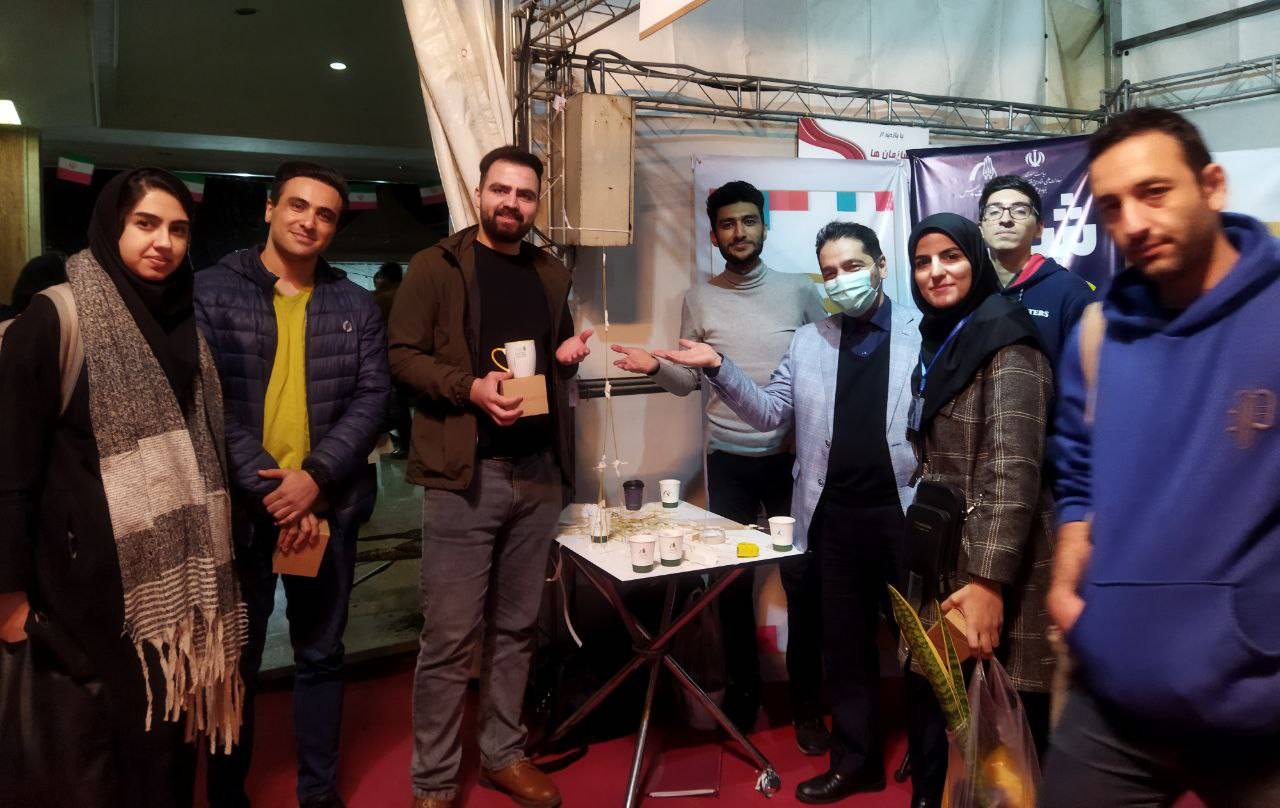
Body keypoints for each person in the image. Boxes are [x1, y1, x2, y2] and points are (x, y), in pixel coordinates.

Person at [654, 221, 948, 806]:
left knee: (922, 648)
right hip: (831, 519)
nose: (841, 280)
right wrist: (718, 366)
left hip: (903, 515)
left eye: (853, 267)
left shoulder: (924, 334)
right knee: (845, 649)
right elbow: (770, 413)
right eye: (830, 272)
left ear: (881, 266)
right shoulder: (810, 340)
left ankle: (931, 772)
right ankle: (856, 762)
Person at [1042, 109, 1280, 807]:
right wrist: (1069, 577)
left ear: (1212, 185)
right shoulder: (1099, 333)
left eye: (1154, 192)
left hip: (1262, 709)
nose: (1134, 223)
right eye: (1113, 207)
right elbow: (1077, 469)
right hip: (1114, 697)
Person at [0, 169, 246, 807]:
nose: (163, 242)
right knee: (96, 759)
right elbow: (10, 469)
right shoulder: (56, 317)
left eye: (178, 229)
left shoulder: (185, 320)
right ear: (113, 226)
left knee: (167, 749)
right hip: (81, 595)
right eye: (146, 223)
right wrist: (9, 596)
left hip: (174, 588)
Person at [389, 145, 591, 808]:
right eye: (500, 190)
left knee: (517, 627)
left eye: (525, 195)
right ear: (479, 192)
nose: (511, 203)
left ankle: (502, 754)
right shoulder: (436, 266)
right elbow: (402, 357)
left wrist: (565, 359)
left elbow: (546, 363)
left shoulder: (551, 273)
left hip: (538, 474)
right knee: (450, 638)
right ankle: (434, 781)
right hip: (464, 476)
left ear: (537, 204)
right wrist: (469, 388)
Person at [195, 161, 390, 808]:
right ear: (270, 208)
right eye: (298, 206)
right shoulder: (211, 292)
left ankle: (319, 793)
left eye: (326, 214)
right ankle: (227, 794)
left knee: (321, 654)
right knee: (234, 660)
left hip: (326, 506)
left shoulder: (354, 303)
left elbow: (372, 398)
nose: (310, 222)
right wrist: (277, 492)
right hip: (242, 510)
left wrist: (315, 479)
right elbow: (207, 401)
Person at [610, 180, 828, 747]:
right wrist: (654, 367)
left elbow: (822, 367)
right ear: (714, 236)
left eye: (749, 221)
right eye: (728, 224)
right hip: (728, 460)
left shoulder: (800, 291)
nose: (740, 232)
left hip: (791, 462)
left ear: (765, 227)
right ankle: (743, 696)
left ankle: (807, 703)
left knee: (803, 580)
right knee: (729, 586)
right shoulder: (699, 299)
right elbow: (688, 379)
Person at [904, 213, 1056, 790]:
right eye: (923, 261)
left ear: (976, 260)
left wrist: (987, 581)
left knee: (1001, 743)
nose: (936, 272)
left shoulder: (1007, 339)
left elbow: (1013, 470)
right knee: (942, 713)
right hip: (943, 556)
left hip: (995, 570)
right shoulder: (942, 338)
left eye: (951, 256)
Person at [977, 175, 1095, 371]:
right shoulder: (971, 291)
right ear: (981, 228)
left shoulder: (1070, 291)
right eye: (994, 212)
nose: (1005, 220)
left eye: (1019, 211)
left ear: (1039, 228)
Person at [372, 261, 412, 457]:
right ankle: (407, 443)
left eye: (379, 277)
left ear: (385, 278)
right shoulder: (409, 295)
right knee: (402, 403)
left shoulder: (380, 298)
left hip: (387, 357)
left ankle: (403, 444)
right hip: (409, 358)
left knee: (395, 404)